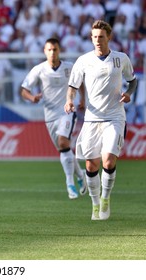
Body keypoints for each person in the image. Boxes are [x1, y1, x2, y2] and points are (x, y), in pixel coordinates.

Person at [64, 20, 137, 220]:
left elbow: (132, 81)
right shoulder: (83, 60)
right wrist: (69, 100)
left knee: (108, 159)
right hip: (91, 119)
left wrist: (129, 93)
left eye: (101, 37)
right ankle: (95, 203)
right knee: (91, 165)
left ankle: (105, 198)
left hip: (114, 116)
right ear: (91, 38)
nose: (97, 40)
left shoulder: (120, 59)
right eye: (94, 37)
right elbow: (72, 85)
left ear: (109, 37)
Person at [21, 37, 87, 200]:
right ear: (45, 51)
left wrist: (83, 99)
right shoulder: (39, 69)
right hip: (49, 116)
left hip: (67, 111)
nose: (52, 52)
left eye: (55, 49)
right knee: (63, 150)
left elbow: (80, 83)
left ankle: (70, 183)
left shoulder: (69, 67)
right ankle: (81, 176)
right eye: (49, 49)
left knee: (64, 143)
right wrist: (32, 98)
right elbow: (24, 90)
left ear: (59, 50)